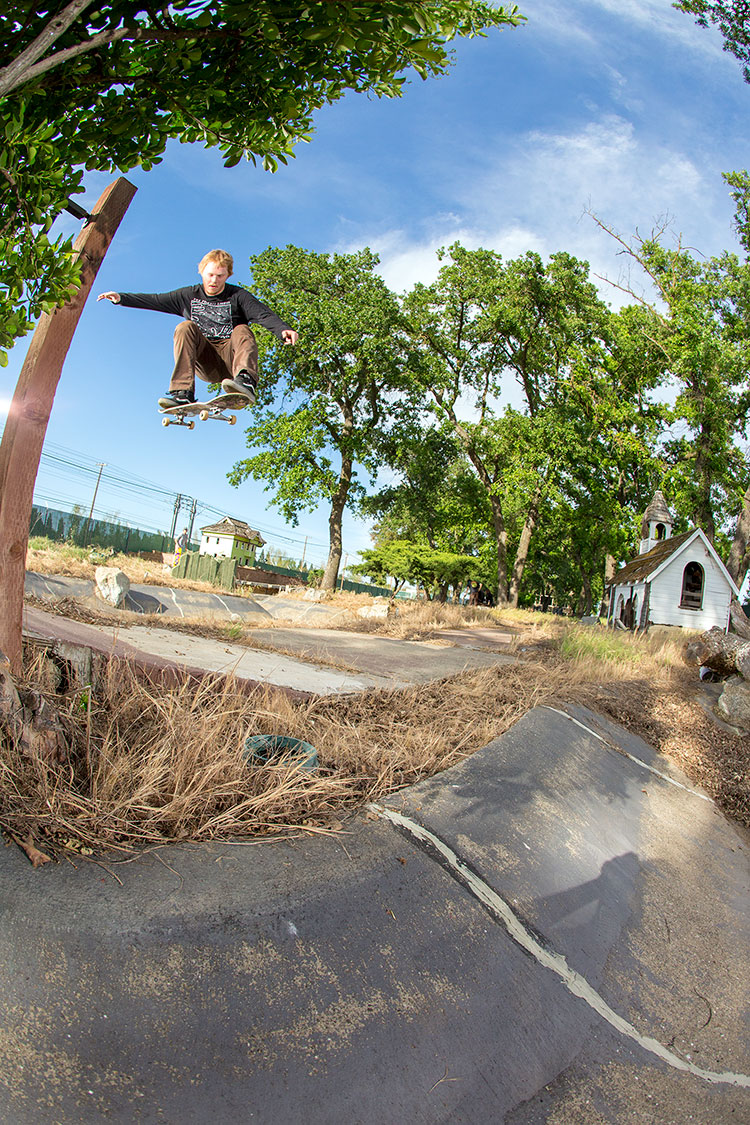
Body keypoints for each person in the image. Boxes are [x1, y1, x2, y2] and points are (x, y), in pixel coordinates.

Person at [97, 249, 298, 408]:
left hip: (232, 361)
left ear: (228, 274)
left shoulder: (238, 296)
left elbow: (262, 314)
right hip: (206, 361)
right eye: (210, 275)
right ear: (201, 271)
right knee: (185, 327)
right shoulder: (187, 296)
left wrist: (282, 329)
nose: (214, 281)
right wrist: (122, 298)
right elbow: (156, 300)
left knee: (242, 330)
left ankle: (245, 381)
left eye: (220, 276)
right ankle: (182, 393)